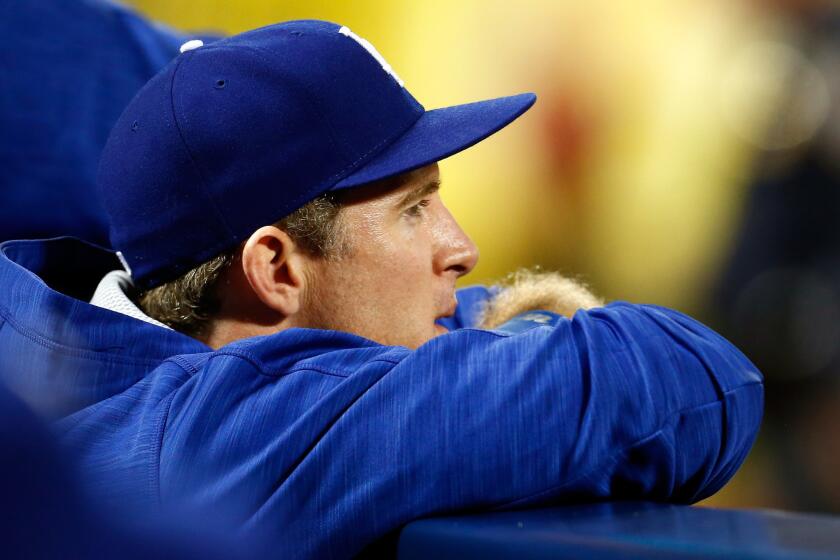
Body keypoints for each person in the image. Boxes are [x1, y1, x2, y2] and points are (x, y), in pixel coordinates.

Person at [0, 20, 764, 558]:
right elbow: (687, 379)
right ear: (275, 270)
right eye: (413, 210)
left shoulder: (75, 360)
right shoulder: (205, 445)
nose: (462, 250)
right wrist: (510, 343)